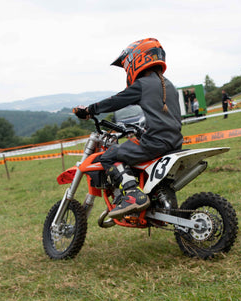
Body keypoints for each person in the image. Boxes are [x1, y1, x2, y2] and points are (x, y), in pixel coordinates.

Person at [74, 38, 183, 219]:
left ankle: (133, 195)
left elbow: (116, 101)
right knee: (127, 152)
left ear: (137, 60)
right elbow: (164, 118)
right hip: (174, 142)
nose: (126, 70)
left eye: (126, 66)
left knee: (108, 156)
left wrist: (89, 110)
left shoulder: (143, 85)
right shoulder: (168, 84)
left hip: (154, 143)